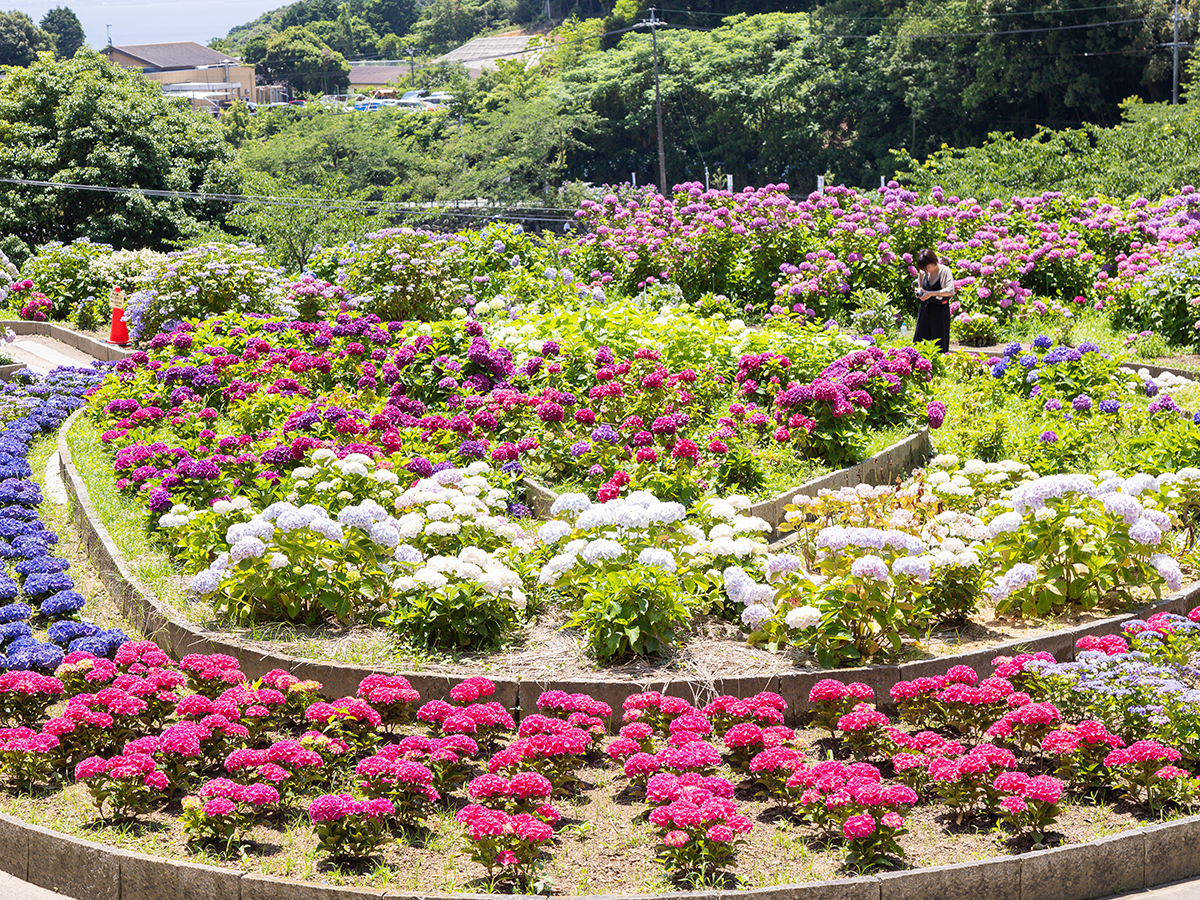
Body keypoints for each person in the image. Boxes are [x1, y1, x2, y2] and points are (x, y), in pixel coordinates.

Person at [912, 248, 955, 353]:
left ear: (933, 261)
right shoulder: (923, 272)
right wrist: (919, 292)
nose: (926, 269)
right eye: (923, 267)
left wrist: (931, 294)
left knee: (940, 343)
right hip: (925, 309)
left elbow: (950, 291)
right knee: (920, 341)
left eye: (928, 266)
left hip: (940, 310)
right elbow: (920, 287)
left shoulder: (944, 271)